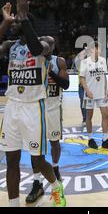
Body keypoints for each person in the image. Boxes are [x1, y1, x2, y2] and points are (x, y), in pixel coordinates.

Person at [0, 0, 66, 207]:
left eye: (16, 21)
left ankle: (57, 188)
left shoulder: (46, 42)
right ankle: (13, 205)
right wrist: (5, 22)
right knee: (11, 160)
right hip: (12, 107)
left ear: (27, 19)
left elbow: (37, 49)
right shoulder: (11, 46)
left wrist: (24, 15)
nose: (13, 24)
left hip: (34, 108)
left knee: (37, 159)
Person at [26, 40, 70, 204]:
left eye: (48, 45)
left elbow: (65, 84)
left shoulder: (59, 61)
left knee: (54, 143)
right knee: (35, 147)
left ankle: (55, 169)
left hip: (53, 109)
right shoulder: (35, 60)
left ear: (52, 47)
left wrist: (51, 73)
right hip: (37, 109)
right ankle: (37, 182)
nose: (44, 47)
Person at [80, 41, 108, 150]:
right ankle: (90, 139)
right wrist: (87, 90)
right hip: (89, 94)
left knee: (106, 114)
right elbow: (82, 78)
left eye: (99, 48)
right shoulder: (85, 62)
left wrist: (106, 91)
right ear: (91, 50)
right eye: (97, 48)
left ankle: (105, 140)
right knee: (88, 116)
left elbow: (104, 77)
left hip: (101, 94)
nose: (99, 50)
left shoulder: (102, 61)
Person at [75, 46, 88, 126]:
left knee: (88, 103)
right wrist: (85, 50)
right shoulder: (80, 62)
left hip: (89, 85)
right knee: (82, 102)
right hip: (81, 85)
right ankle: (84, 119)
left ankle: (88, 118)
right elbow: (79, 57)